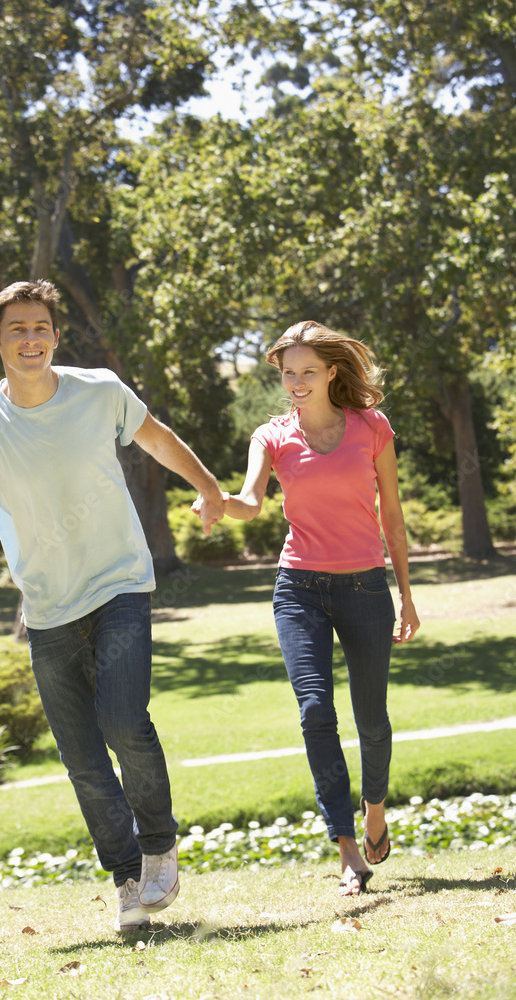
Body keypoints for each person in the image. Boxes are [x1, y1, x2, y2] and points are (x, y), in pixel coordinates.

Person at [0, 279, 226, 930]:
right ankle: (126, 879)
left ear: (56, 336)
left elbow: (157, 438)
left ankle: (158, 845)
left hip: (119, 582)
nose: (30, 338)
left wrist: (208, 487)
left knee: (123, 721)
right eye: (17, 329)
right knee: (83, 759)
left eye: (40, 327)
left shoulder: (99, 391)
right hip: (46, 607)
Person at [193, 321, 420, 896]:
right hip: (299, 589)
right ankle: (347, 847)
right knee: (316, 710)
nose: (296, 382)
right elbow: (250, 503)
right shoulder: (271, 436)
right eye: (288, 372)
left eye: (308, 372)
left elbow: (393, 517)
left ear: (332, 372)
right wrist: (218, 500)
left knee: (372, 718)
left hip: (365, 586)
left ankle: (374, 808)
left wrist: (407, 595)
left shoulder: (372, 428)